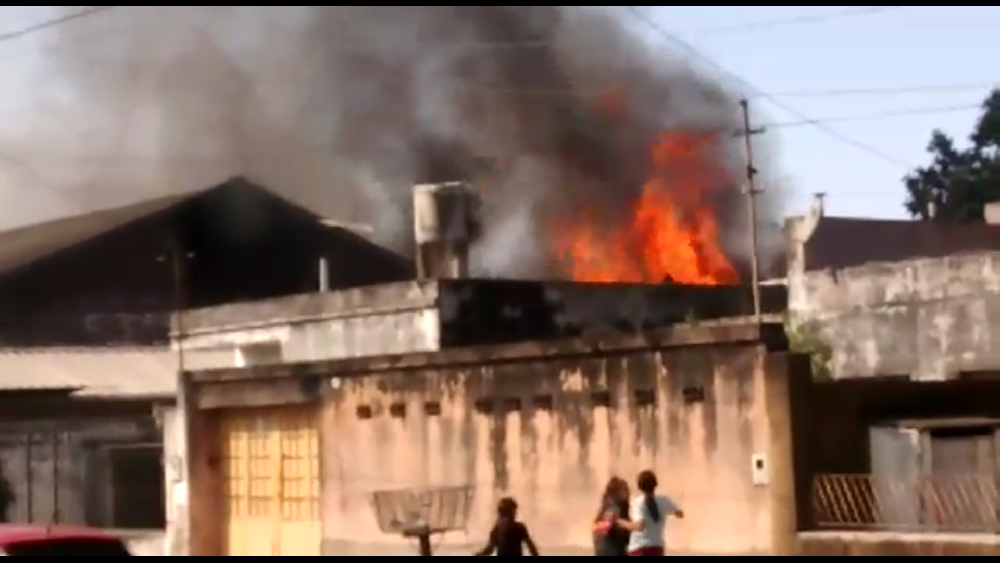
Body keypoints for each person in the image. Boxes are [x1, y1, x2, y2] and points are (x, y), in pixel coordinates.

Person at [613, 470, 684, 556]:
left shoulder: (638, 502)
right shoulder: (664, 500)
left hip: (640, 549)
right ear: (656, 484)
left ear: (639, 486)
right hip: (657, 548)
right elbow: (680, 514)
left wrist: (620, 522)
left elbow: (639, 526)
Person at [474, 496, 540, 556]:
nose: (515, 514)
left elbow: (489, 549)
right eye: (514, 512)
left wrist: (479, 554)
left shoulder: (497, 529)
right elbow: (531, 547)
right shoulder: (519, 528)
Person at [592, 476, 631, 556]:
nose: (628, 492)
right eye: (625, 490)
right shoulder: (614, 506)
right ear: (616, 492)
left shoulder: (605, 507)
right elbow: (609, 523)